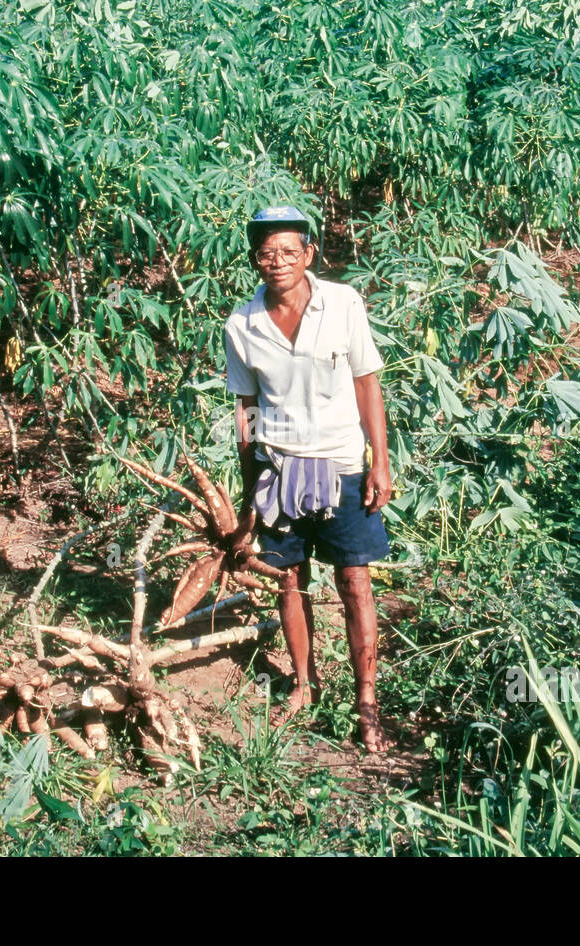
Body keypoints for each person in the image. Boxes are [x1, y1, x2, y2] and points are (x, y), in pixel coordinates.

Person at [222, 205, 395, 752]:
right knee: (288, 581)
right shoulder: (242, 325)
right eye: (267, 253)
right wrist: (250, 488)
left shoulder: (342, 303)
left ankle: (367, 700)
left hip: (343, 465)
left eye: (289, 252)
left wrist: (380, 460)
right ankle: (304, 684)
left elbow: (368, 383)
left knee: (354, 582)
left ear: (309, 255)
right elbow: (245, 411)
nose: (278, 262)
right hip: (280, 469)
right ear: (256, 260)